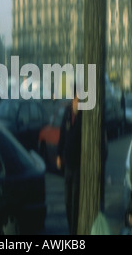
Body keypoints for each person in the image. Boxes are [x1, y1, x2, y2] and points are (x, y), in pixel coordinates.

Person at [56, 87, 82, 235]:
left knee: (75, 200)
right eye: (77, 100)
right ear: (73, 100)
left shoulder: (83, 116)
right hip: (68, 163)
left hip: (78, 164)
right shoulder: (67, 113)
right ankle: (70, 226)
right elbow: (62, 135)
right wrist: (59, 155)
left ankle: (74, 232)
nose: (78, 104)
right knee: (67, 200)